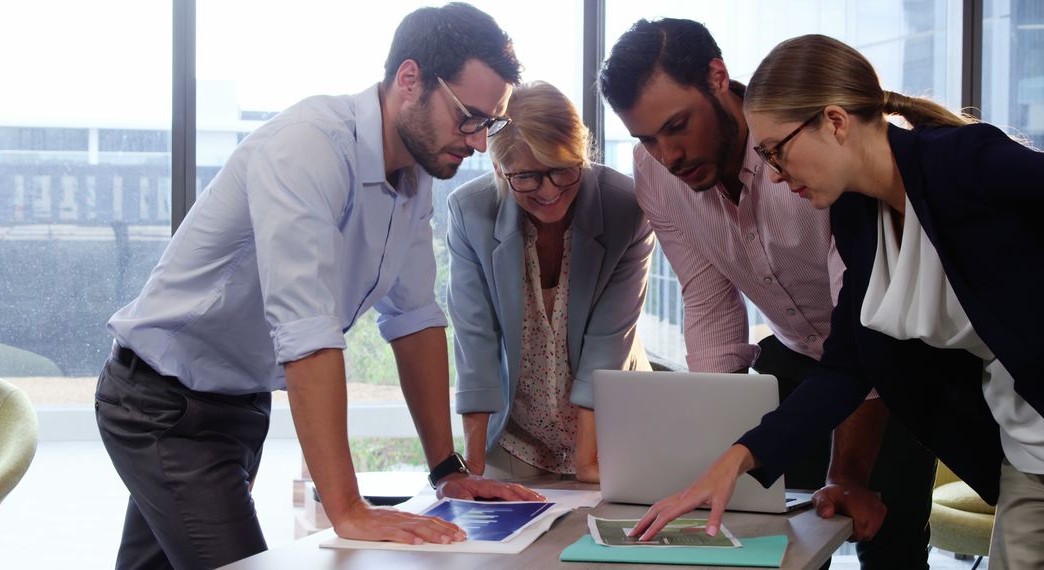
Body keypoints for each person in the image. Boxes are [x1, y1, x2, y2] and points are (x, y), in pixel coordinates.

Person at [94, 4, 545, 569]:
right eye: (469, 118)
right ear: (410, 80)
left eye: (490, 124)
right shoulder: (308, 146)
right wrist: (347, 508)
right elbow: (306, 327)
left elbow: (415, 320)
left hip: (237, 404)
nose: (480, 144)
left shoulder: (413, 176)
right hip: (162, 402)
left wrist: (447, 472)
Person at [629, 33, 1044, 570]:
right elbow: (848, 364)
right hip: (1026, 452)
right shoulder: (856, 217)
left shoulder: (966, 162)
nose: (774, 174)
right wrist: (738, 459)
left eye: (777, 151)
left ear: (835, 122)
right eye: (765, 157)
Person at [598, 18, 935, 568]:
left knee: (889, 548)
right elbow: (708, 302)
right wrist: (712, 456)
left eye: (677, 125)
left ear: (717, 77)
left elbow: (862, 337)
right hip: (798, 360)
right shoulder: (655, 174)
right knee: (776, 546)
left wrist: (846, 475)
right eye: (646, 138)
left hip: (892, 365)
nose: (668, 155)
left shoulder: (809, 149)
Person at [446, 81, 654, 484]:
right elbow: (476, 343)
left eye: (562, 170)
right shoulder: (469, 212)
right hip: (516, 440)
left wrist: (587, 463)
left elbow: (607, 344)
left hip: (614, 430)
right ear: (499, 170)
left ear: (581, 155)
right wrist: (471, 471)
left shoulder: (626, 207)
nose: (549, 191)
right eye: (526, 177)